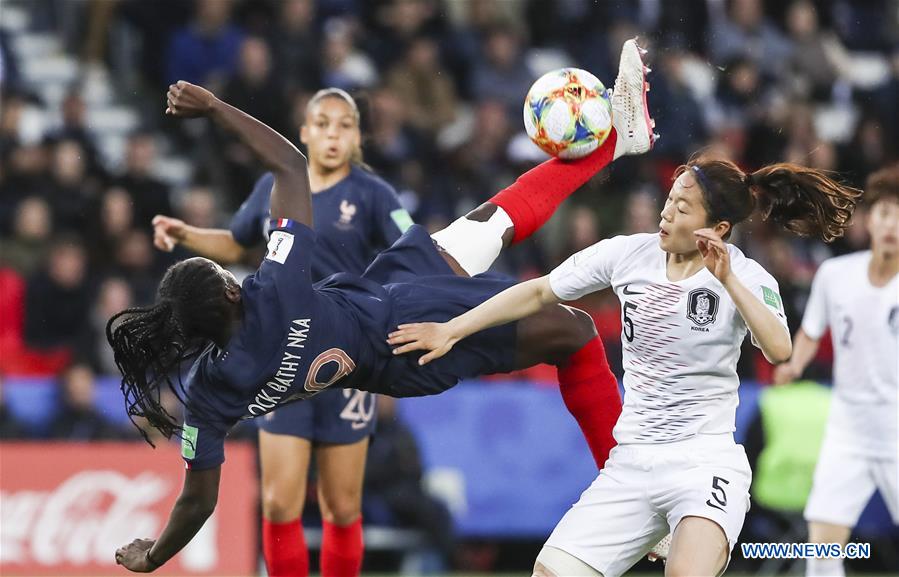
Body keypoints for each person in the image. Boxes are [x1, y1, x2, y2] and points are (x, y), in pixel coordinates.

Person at [109, 39, 655, 573]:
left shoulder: (208, 394)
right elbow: (291, 167)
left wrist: (154, 555)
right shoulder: (273, 288)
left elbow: (197, 500)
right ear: (231, 291)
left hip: (383, 291)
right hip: (410, 335)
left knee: (492, 222)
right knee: (576, 332)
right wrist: (213, 106)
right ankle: (626, 491)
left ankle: (619, 142)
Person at [388, 157, 861, 575]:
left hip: (704, 462)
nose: (667, 211)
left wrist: (729, 281)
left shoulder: (746, 275)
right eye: (670, 198)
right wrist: (451, 329)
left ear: (716, 229)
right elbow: (536, 292)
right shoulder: (628, 255)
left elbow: (779, 349)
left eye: (683, 207)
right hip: (630, 464)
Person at [151, 87, 413, 577]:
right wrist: (186, 234)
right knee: (278, 503)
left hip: (348, 356)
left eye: (344, 125)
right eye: (323, 123)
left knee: (341, 505)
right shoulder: (275, 184)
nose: (333, 134)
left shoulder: (374, 194)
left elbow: (411, 252)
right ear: (304, 132)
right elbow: (234, 243)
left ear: (357, 137)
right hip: (279, 359)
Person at [772, 164, 898, 577]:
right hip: (848, 433)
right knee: (823, 546)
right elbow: (810, 332)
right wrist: (793, 365)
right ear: (869, 219)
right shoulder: (835, 275)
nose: (891, 225)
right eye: (884, 213)